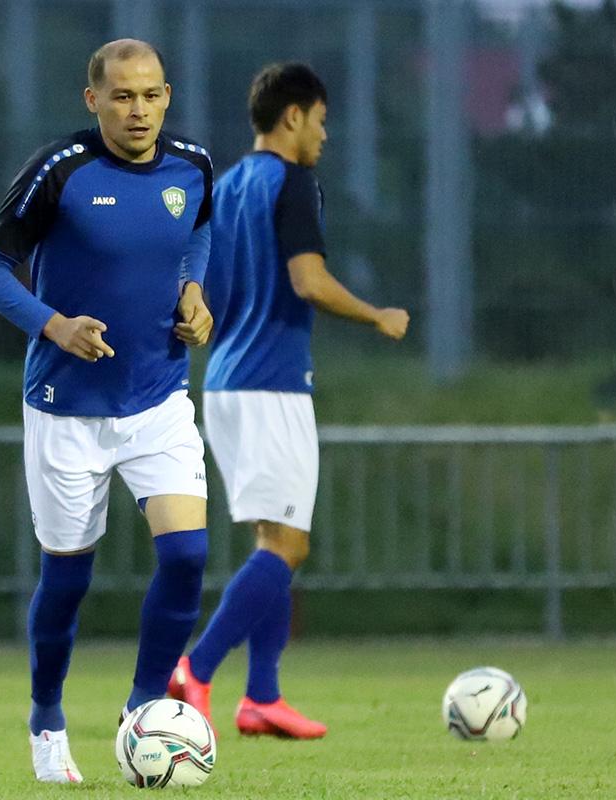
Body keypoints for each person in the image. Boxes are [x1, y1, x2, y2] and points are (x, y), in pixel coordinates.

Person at [0, 38, 215, 783]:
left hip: (159, 398)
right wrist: (56, 324)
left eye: (150, 95)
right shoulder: (60, 171)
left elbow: (197, 230)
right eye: (122, 97)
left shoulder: (195, 167)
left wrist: (195, 293)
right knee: (67, 579)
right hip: (66, 408)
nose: (137, 110)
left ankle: (142, 711)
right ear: (94, 100)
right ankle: (46, 719)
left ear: (166, 96)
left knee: (188, 556)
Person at [167, 62, 409, 739]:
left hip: (221, 383)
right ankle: (197, 669)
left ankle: (263, 698)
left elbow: (196, 284)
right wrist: (377, 314)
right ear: (294, 116)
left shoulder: (225, 185)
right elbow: (308, 281)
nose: (325, 137)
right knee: (290, 546)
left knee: (272, 540)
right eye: (323, 122)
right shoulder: (292, 183)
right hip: (273, 383)